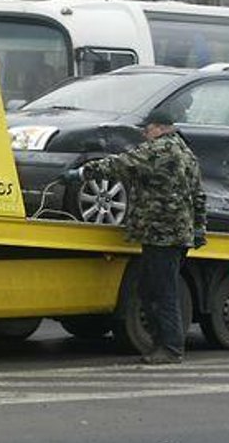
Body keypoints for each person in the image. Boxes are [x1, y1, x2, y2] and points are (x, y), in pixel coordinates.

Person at [63, 109, 206, 364]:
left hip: (160, 233)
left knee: (160, 292)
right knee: (156, 289)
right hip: (177, 233)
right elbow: (199, 195)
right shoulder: (187, 153)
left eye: (147, 128)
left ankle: (170, 349)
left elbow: (120, 164)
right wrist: (198, 229)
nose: (144, 133)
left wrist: (83, 173)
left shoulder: (158, 150)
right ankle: (163, 345)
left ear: (161, 128)